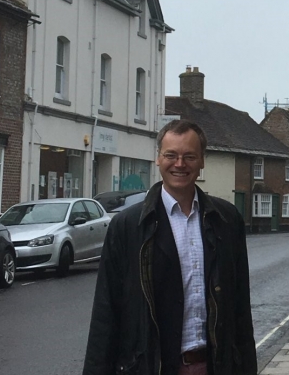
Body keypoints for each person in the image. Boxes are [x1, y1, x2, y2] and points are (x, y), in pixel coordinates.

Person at [82, 119, 257, 375]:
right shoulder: (127, 226)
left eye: (189, 156)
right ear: (158, 159)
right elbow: (105, 314)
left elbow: (241, 309)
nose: (179, 164)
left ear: (202, 161)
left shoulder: (227, 220)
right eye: (171, 155)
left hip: (216, 365)